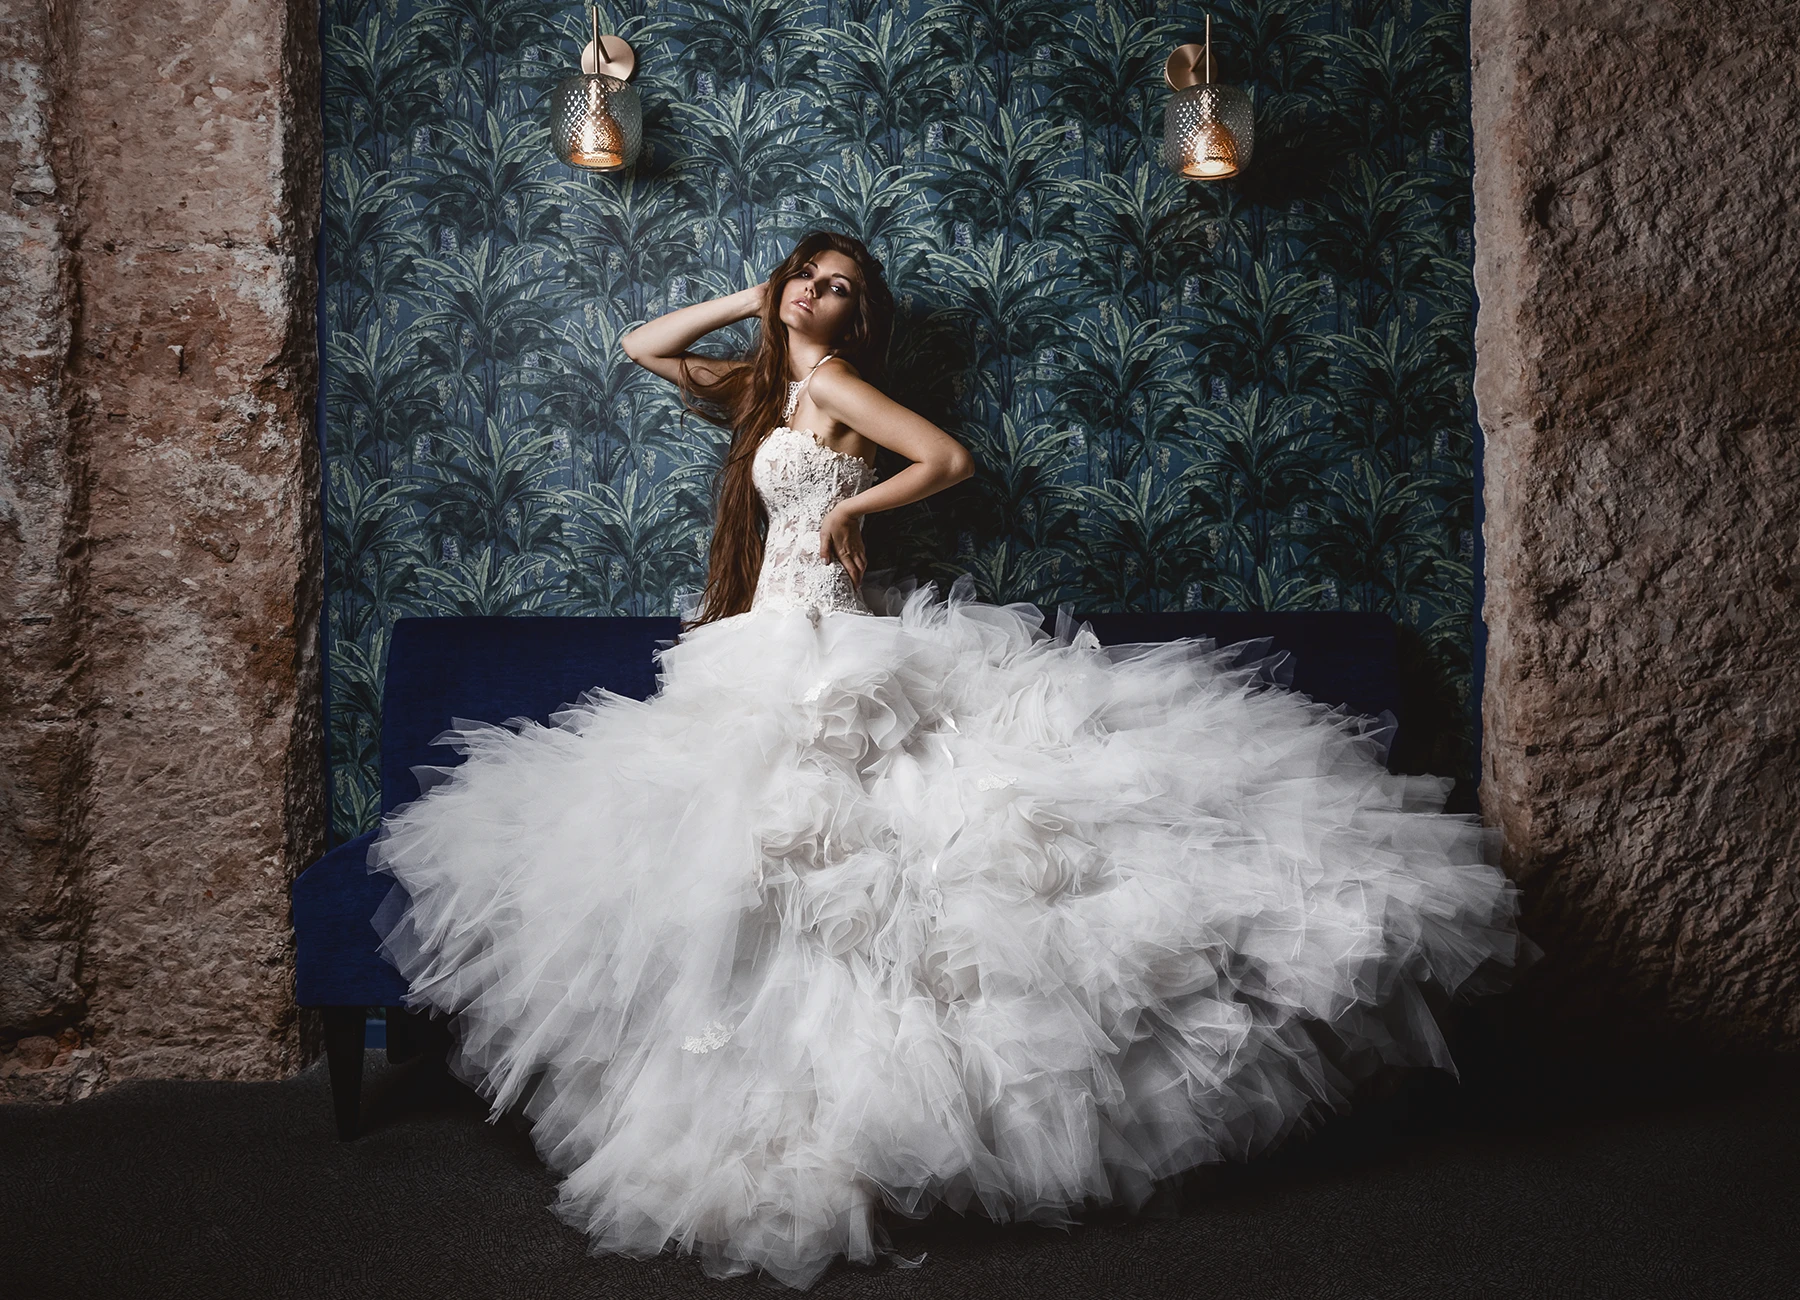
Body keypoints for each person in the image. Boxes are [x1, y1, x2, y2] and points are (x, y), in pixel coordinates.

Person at [368, 230, 1523, 1289]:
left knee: (841, 846)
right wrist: (758, 298)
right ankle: (768, 1099)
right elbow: (641, 345)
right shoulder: (773, 382)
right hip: (757, 636)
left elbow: (948, 458)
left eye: (843, 291)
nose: (824, 298)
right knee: (743, 849)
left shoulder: (827, 385)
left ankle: (859, 1115)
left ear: (858, 318)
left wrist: (841, 511)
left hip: (818, 627)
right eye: (811, 280)